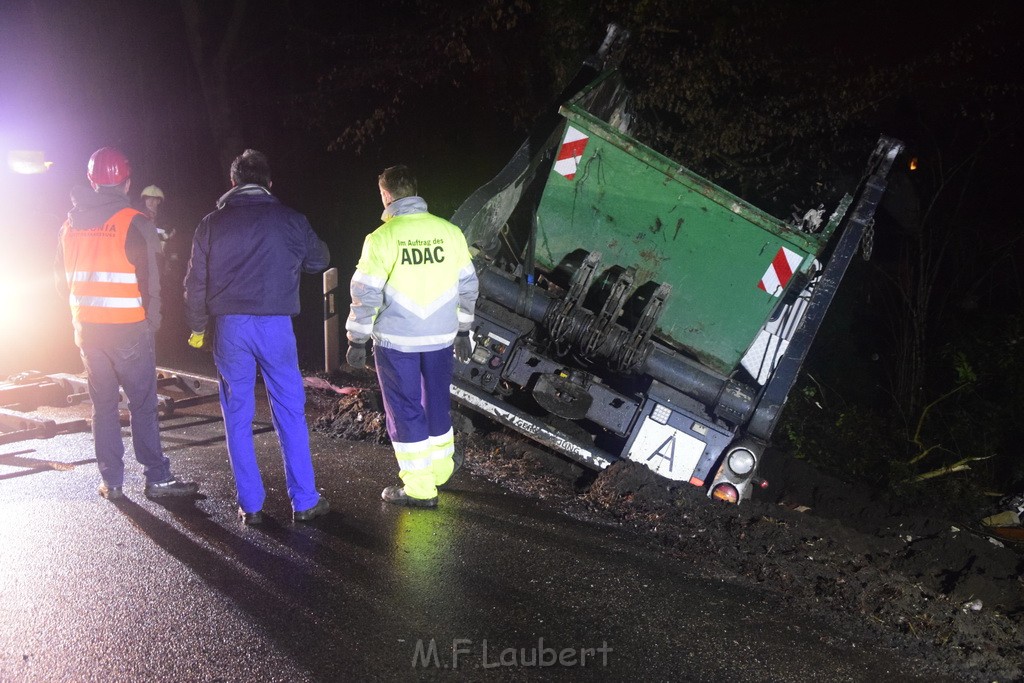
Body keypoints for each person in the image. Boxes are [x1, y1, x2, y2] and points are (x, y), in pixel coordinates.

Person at [184, 149, 331, 525]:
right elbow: (319, 259)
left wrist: (198, 327)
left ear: (233, 184)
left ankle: (251, 505)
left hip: (230, 328)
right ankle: (305, 500)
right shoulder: (291, 220)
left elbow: (195, 283)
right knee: (290, 412)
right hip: (276, 326)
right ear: (269, 182)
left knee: (237, 416)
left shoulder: (210, 224)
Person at [54, 147, 199, 500]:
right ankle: (157, 478)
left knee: (103, 406)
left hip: (88, 330)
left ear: (91, 180)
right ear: (127, 181)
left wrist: (83, 315)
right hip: (130, 328)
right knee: (142, 404)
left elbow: (61, 283)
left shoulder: (69, 225)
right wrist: (152, 323)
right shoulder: (135, 222)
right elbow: (153, 279)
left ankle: (112, 482)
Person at [346, 164, 479, 508]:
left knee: (405, 409)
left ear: (386, 195)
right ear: (414, 191)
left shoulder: (381, 239)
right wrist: (465, 329)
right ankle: (439, 472)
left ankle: (420, 488)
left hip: (398, 342)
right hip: (441, 338)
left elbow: (365, 293)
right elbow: (468, 287)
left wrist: (356, 339)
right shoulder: (449, 232)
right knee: (436, 402)